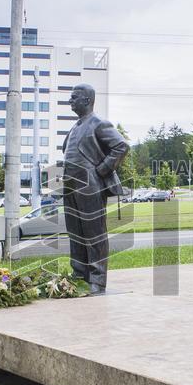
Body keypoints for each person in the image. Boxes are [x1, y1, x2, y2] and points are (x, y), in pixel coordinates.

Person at [60, 83, 129, 295]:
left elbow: (122, 146)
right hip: (71, 184)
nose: (70, 101)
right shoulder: (75, 127)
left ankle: (97, 280)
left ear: (87, 100)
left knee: (94, 233)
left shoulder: (99, 123)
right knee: (76, 233)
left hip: (90, 184)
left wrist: (100, 171)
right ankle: (80, 275)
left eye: (74, 97)